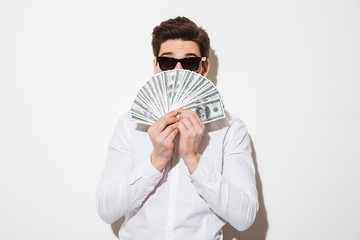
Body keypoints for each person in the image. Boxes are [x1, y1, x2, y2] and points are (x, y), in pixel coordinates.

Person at [96, 16, 259, 240]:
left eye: (190, 62)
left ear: (204, 68)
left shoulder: (230, 128)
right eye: (168, 62)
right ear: (156, 66)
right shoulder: (130, 124)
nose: (178, 71)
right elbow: (106, 209)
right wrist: (157, 160)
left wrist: (193, 159)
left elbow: (244, 217)